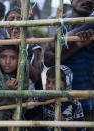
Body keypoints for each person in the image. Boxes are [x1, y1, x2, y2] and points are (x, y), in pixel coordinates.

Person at [44, 0, 94, 128]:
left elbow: (57, 47)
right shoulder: (57, 22)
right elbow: (48, 60)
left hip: (85, 102)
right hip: (58, 102)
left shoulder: (91, 26)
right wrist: (77, 45)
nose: (89, 0)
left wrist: (68, 40)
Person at [0, 44, 31, 131]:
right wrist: (6, 90)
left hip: (14, 125)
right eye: (3, 57)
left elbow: (23, 102)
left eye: (13, 58)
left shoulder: (22, 76)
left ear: (19, 59)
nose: (7, 61)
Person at [43, 66, 86, 131]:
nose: (49, 86)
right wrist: (45, 98)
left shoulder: (74, 104)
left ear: (66, 85)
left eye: (54, 83)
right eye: (48, 81)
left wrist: (63, 122)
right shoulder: (43, 97)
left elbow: (81, 129)